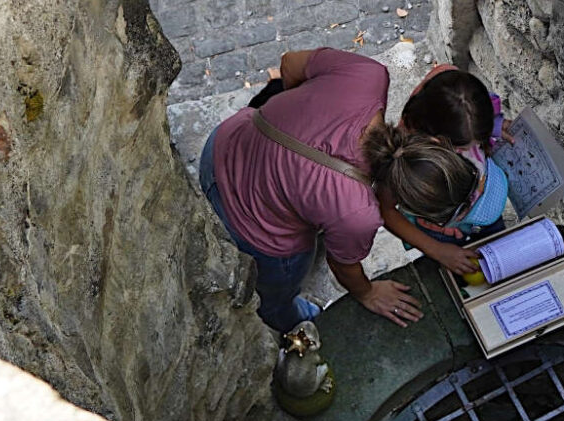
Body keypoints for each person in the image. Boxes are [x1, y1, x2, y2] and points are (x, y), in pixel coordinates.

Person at [199, 47, 423, 330]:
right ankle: (295, 320)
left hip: (221, 148)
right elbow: (343, 266)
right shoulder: (357, 213)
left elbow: (289, 63)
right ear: (398, 195)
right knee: (277, 302)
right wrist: (367, 293)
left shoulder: (369, 75)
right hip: (252, 230)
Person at [373, 66, 513, 276]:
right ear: (437, 141)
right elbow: (386, 209)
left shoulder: (453, 93)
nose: (475, 145)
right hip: (441, 232)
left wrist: (494, 126)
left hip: (485, 206)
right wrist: (438, 250)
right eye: (467, 146)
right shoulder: (407, 160)